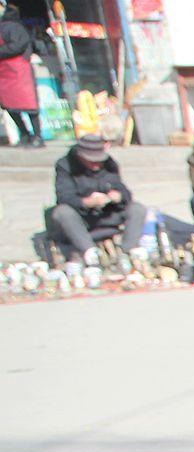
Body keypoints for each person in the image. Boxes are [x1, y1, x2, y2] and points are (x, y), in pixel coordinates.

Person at [47, 134, 146, 267]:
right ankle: (89, 251)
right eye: (92, 161)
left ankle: (128, 250)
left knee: (137, 209)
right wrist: (86, 202)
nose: (96, 165)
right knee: (62, 212)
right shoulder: (65, 166)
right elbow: (64, 197)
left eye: (98, 161)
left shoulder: (109, 164)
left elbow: (125, 192)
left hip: (107, 213)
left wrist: (118, 196)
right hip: (82, 217)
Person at [0, 2, 43, 148]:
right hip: (4, 72)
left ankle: (38, 137)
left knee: (29, 105)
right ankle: (25, 134)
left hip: (19, 70)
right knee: (9, 106)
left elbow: (18, 45)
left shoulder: (14, 27)